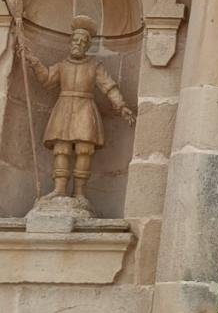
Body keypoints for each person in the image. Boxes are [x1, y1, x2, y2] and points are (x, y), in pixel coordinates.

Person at [17, 14, 134, 206]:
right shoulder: (62, 66)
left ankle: (79, 192)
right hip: (63, 107)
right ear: (70, 42)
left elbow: (108, 86)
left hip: (85, 108)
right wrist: (33, 61)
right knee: (61, 148)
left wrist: (121, 106)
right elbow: (47, 79)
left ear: (87, 46)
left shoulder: (95, 66)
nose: (78, 44)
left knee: (84, 149)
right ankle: (59, 189)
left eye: (82, 41)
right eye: (75, 40)